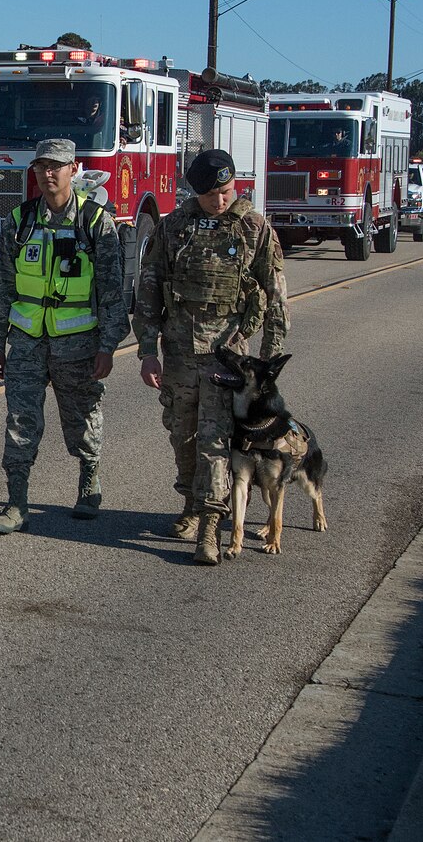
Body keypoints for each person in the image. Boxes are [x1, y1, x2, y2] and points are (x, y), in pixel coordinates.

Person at [134, 149, 289, 566]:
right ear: (194, 192)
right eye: (210, 195)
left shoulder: (254, 228)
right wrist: (148, 351)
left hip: (227, 361)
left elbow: (275, 298)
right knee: (181, 434)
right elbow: (149, 289)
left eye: (225, 191)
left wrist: (269, 363)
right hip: (180, 354)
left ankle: (209, 525)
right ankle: (190, 501)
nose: (220, 200)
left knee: (215, 441)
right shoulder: (174, 227)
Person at [0, 137, 127, 531]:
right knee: (19, 422)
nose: (48, 174)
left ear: (73, 169)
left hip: (78, 344)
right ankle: (16, 503)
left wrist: (108, 347)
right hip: (26, 343)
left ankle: (89, 480)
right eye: (41, 166)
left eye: (56, 166)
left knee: (82, 418)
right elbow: (2, 288)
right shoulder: (20, 220)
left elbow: (113, 293)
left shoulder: (96, 223)